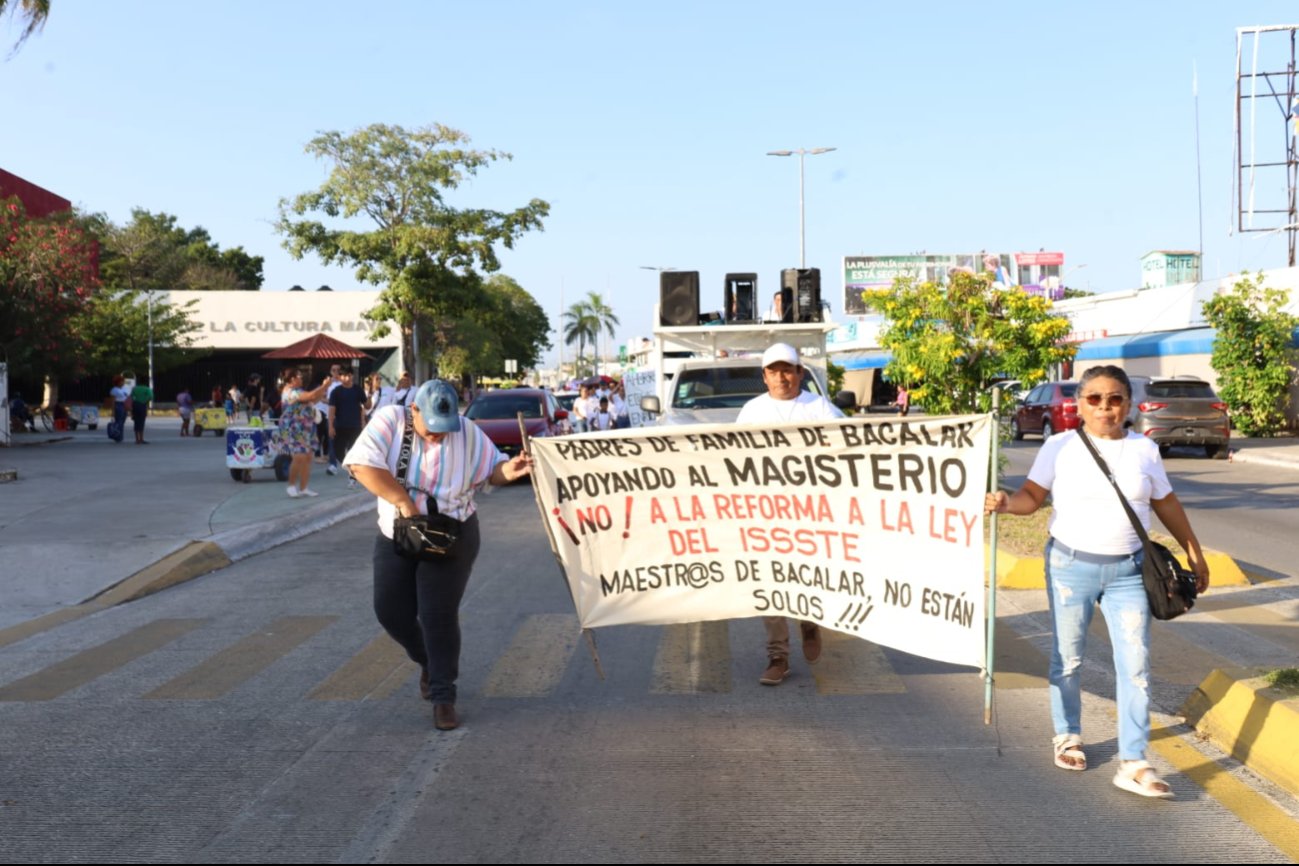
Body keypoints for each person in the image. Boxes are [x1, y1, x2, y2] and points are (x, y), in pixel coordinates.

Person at [984, 365, 1211, 799]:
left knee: (1136, 665)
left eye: (1115, 399)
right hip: (1071, 567)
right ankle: (1067, 733)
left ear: (1129, 405)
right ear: (1079, 404)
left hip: (1130, 572)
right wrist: (1005, 502)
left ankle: (1133, 760)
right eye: (1095, 399)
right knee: (1069, 658)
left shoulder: (1144, 449)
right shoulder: (1059, 446)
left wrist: (1193, 549)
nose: (1105, 408)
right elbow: (1032, 498)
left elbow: (1165, 502)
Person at [345, 380, 533, 731]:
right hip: (398, 532)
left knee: (437, 615)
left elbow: (492, 471)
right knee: (390, 612)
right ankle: (428, 662)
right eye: (432, 429)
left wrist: (513, 470)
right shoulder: (390, 421)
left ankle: (443, 695)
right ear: (414, 410)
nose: (439, 437)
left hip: (453, 533)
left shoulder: (466, 431)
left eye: (444, 430)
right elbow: (360, 465)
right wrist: (403, 501)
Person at [736, 343, 844, 685]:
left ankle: (809, 620)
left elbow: (851, 447)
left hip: (812, 513)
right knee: (770, 581)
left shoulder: (820, 408)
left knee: (808, 575)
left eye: (788, 370)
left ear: (800, 373)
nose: (781, 377)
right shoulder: (751, 412)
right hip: (766, 513)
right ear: (764, 377)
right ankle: (777, 656)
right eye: (774, 371)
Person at [279, 367, 332, 498]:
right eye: (300, 376)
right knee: (299, 456)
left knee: (308, 457)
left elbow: (313, 399)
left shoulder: (299, 391)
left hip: (306, 427)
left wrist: (324, 388)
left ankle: (303, 488)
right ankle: (291, 486)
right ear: (292, 379)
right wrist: (324, 386)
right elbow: (311, 396)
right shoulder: (289, 391)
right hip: (294, 428)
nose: (302, 378)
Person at [328, 369, 368, 489]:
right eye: (344, 375)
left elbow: (367, 405)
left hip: (355, 426)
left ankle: (352, 478)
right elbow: (331, 410)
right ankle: (352, 470)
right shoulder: (336, 392)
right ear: (340, 377)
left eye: (349, 375)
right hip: (340, 426)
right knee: (338, 452)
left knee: (354, 452)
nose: (347, 378)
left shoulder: (358, 390)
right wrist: (330, 426)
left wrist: (369, 394)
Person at [130, 378, 154, 444]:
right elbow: (150, 396)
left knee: (136, 421)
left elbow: (131, 396)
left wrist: (135, 400)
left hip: (135, 405)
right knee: (142, 421)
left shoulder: (135, 389)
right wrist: (144, 401)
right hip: (142, 405)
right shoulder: (147, 389)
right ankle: (141, 438)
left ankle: (137, 439)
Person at [109, 376, 130, 442]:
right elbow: (113, 401)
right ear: (118, 382)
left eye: (123, 381)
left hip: (124, 405)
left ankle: (120, 435)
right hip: (118, 404)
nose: (123, 382)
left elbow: (127, 397)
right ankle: (118, 436)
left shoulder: (125, 388)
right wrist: (113, 411)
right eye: (122, 381)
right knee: (119, 421)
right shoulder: (114, 390)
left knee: (123, 420)